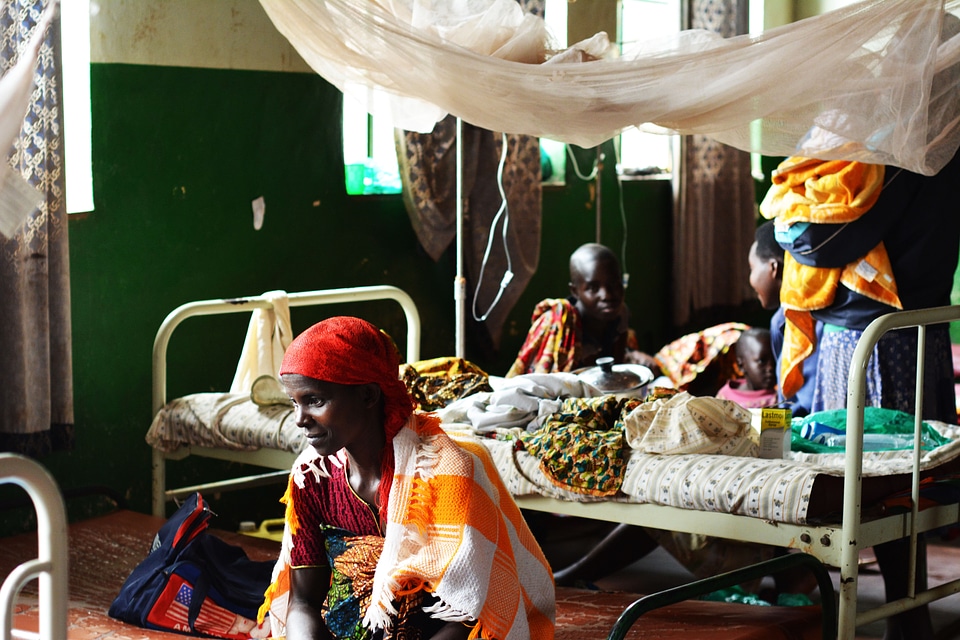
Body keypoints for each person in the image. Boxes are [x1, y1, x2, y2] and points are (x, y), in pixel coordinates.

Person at [760, 147, 960, 640]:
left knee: (879, 479)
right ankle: (906, 609)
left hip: (872, 339)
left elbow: (822, 240)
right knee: (907, 476)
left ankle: (902, 614)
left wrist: (785, 220)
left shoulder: (895, 152)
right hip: (917, 329)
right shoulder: (943, 144)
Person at [257, 316, 555, 640]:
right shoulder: (312, 478)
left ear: (369, 395)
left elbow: (470, 614)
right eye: (294, 402)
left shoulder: (447, 472)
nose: (300, 420)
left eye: (314, 401)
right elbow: (302, 601)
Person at [506, 242, 659, 377]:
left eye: (614, 284)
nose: (607, 295)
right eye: (593, 288)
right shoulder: (559, 323)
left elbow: (614, 373)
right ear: (575, 291)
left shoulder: (620, 314)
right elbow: (542, 384)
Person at [746, 220, 820, 416]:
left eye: (752, 268)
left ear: (773, 268)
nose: (750, 280)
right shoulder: (781, 321)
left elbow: (794, 398)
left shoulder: (788, 320)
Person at [715, 327, 778, 409]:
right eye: (761, 361)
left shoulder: (780, 396)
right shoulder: (725, 396)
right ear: (741, 365)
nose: (771, 367)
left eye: (775, 360)